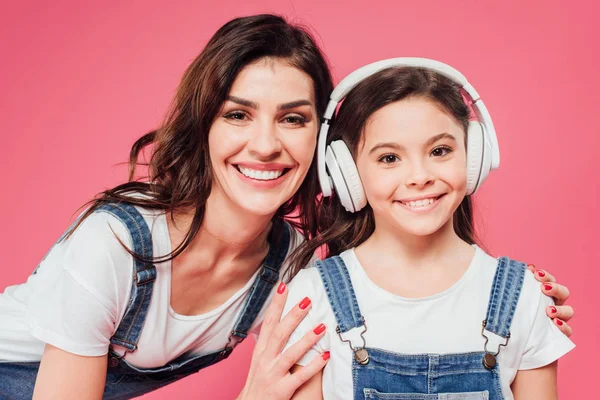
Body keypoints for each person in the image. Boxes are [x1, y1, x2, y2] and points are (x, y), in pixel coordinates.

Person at [0, 15, 572, 399]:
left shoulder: (294, 263)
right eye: (237, 114)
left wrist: (518, 296)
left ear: (323, 149)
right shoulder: (115, 245)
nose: (267, 145)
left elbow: (395, 281)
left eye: (293, 118)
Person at [282, 59, 575, 399]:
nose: (420, 176)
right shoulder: (313, 296)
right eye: (389, 158)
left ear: (474, 156)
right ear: (347, 174)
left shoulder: (524, 296)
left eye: (439, 151)